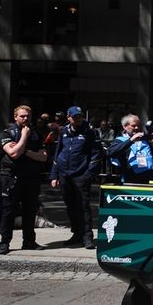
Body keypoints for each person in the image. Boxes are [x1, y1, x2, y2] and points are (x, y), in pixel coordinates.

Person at [0, 105, 48, 255]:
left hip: (30, 177)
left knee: (30, 211)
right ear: (15, 117)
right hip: (11, 177)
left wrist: (24, 150)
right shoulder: (7, 132)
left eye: (27, 116)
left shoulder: (36, 134)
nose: (25, 119)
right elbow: (13, 154)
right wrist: (24, 137)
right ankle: (4, 243)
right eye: (22, 116)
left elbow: (43, 156)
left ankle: (29, 241)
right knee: (8, 211)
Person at [49, 106, 102, 249]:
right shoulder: (63, 131)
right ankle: (76, 234)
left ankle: (87, 236)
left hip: (81, 174)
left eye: (80, 116)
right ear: (69, 118)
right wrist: (54, 174)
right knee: (71, 206)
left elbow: (96, 154)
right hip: (64, 174)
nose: (78, 119)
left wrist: (88, 174)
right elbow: (58, 152)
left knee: (83, 206)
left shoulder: (89, 132)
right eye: (75, 116)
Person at [107, 114, 153, 184]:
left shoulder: (145, 138)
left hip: (150, 177)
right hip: (131, 179)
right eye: (133, 126)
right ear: (125, 127)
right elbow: (110, 152)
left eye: (138, 125)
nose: (137, 128)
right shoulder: (120, 140)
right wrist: (131, 141)